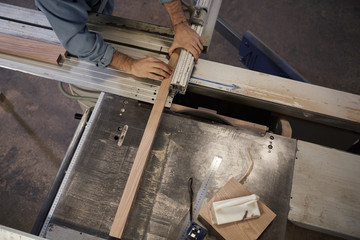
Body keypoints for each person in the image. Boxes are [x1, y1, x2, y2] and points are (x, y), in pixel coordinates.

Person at [35, 0, 203, 80]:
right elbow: (77, 39)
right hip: (64, 12)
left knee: (104, 19)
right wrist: (130, 65)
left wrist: (180, 24)